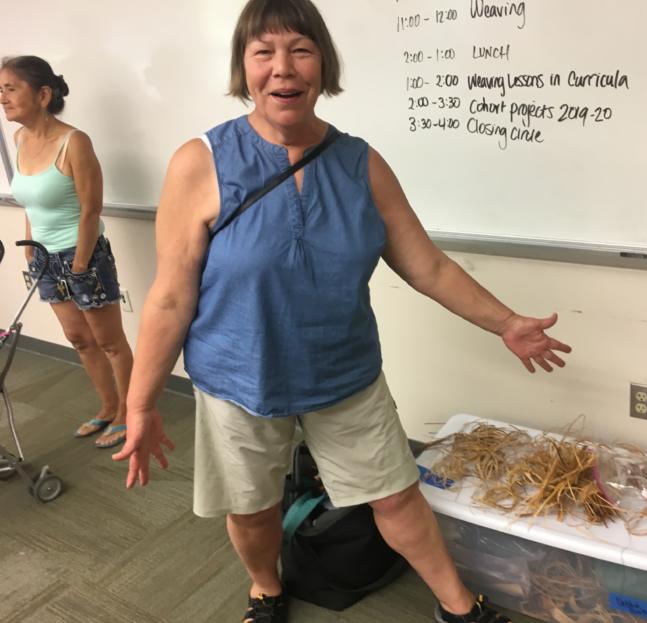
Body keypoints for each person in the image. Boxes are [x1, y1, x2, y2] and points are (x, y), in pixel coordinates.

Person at [114, 1, 572, 621]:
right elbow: (170, 296)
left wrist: (507, 323)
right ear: (242, 68)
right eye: (264, 53)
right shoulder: (200, 162)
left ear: (322, 65)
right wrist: (140, 403)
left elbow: (427, 266)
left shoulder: (361, 163)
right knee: (252, 506)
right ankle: (266, 589)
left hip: (344, 372)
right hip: (239, 378)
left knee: (396, 496)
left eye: (300, 50)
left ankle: (460, 607)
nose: (283, 68)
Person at [0, 56, 133, 449]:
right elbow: (30, 203)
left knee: (109, 341)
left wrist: (78, 264)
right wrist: (29, 252)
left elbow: (92, 209)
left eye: (10, 89)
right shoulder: (20, 139)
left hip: (83, 254)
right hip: (42, 257)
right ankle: (107, 407)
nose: (2, 98)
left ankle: (129, 412)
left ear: (42, 95)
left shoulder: (75, 141)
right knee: (79, 339)